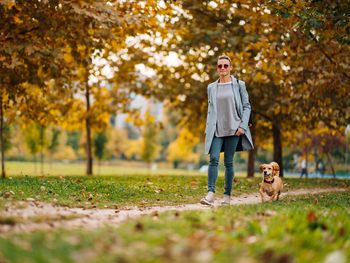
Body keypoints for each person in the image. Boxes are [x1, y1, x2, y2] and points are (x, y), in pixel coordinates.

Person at [201, 55, 254, 205]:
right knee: (213, 159)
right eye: (220, 66)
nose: (223, 68)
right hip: (216, 130)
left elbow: (246, 106)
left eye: (225, 65)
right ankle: (210, 194)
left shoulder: (239, 85)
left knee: (229, 163)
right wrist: (208, 128)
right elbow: (210, 110)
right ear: (217, 68)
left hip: (234, 129)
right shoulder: (211, 87)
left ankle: (226, 196)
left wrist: (243, 126)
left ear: (230, 68)